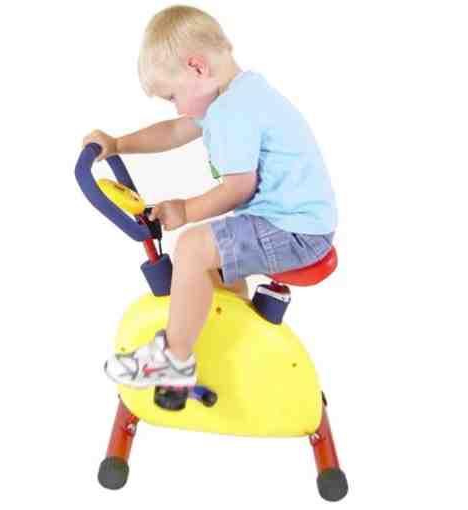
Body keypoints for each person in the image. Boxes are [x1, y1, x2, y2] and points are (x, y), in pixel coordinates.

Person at [82, 5, 337, 389]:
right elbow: (174, 131)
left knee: (192, 248)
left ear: (197, 68)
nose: (177, 107)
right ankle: (226, 340)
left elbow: (238, 188)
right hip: (295, 224)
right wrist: (118, 144)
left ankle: (174, 360)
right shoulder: (236, 93)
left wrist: (185, 210)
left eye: (172, 96)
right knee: (210, 264)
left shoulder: (233, 111)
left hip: (294, 231)